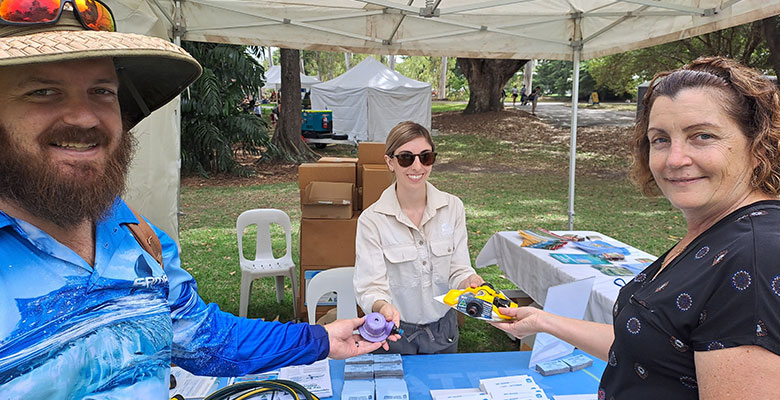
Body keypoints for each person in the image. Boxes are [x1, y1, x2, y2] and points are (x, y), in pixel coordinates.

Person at [0, 6, 395, 398]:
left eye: (102, 91)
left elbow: (203, 338)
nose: (85, 118)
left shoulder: (134, 233)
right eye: (43, 91)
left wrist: (321, 338)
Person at [491, 57, 780, 399]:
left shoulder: (755, 255)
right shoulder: (718, 230)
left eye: (702, 136)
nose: (674, 159)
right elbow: (649, 345)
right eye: (660, 139)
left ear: (757, 143)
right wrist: (543, 321)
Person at [353, 121, 484, 354]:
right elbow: (370, 287)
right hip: (394, 333)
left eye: (425, 157)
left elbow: (458, 269)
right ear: (390, 162)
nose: (417, 166)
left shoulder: (452, 207)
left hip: (444, 330)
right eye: (406, 158)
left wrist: (468, 282)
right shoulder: (372, 219)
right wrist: (382, 306)